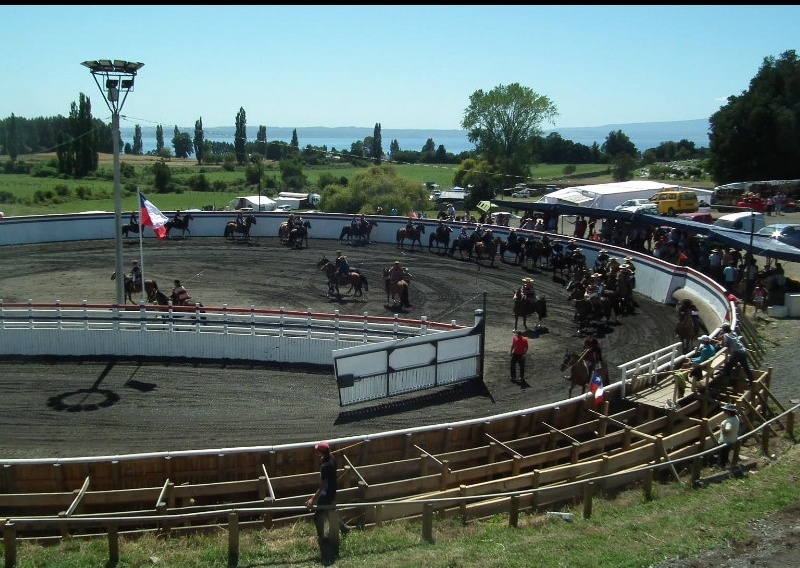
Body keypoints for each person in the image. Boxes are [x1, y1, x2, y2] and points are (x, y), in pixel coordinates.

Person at [305, 441, 349, 550]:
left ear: (320, 451)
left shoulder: (325, 466)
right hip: (332, 490)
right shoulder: (332, 459)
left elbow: (322, 486)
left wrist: (312, 500)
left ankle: (322, 538)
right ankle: (343, 528)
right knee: (329, 511)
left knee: (317, 516)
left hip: (326, 493)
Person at [714, 403, 741, 468]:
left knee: (722, 455)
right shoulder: (735, 418)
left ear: (729, 412)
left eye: (725, 410)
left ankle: (721, 466)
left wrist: (722, 428)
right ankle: (722, 464)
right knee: (724, 454)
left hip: (726, 441)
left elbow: (728, 431)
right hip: (732, 439)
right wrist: (721, 426)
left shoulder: (729, 421)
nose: (723, 411)